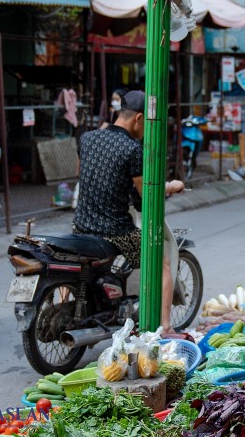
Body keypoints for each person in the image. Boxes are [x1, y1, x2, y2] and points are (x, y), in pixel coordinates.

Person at [74, 90, 185, 333]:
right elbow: (147, 194)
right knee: (163, 262)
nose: (147, 129)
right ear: (138, 118)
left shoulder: (87, 138)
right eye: (147, 123)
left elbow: (85, 174)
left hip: (81, 225)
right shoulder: (132, 149)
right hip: (115, 231)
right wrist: (171, 186)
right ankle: (166, 327)